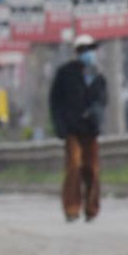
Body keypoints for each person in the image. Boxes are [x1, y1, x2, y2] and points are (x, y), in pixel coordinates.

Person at [48, 35, 107, 222]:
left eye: (90, 50)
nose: (88, 54)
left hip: (91, 129)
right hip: (72, 129)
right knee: (73, 166)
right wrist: (59, 126)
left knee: (92, 169)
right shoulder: (65, 73)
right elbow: (55, 102)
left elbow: (103, 99)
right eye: (84, 50)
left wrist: (96, 114)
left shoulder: (98, 75)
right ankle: (72, 207)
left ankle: (92, 208)